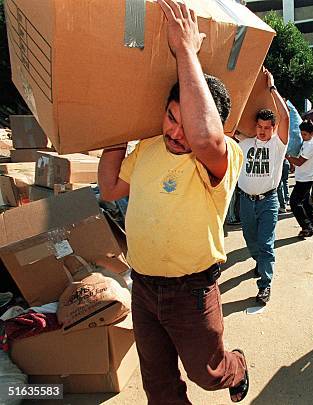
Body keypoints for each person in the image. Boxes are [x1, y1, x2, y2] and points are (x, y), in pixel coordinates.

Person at [97, 0, 249, 402]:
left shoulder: (223, 154)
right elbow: (111, 188)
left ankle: (237, 367)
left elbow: (205, 138)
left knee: (209, 374)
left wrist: (185, 51)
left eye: (187, 122)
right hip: (144, 286)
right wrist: (115, 128)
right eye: (169, 116)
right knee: (159, 386)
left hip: (191, 292)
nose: (176, 132)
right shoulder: (148, 148)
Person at [236, 69, 290, 305]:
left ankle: (264, 284)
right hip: (245, 201)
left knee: (266, 243)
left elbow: (286, 118)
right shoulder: (245, 141)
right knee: (251, 239)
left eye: (267, 127)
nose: (262, 130)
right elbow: (227, 125)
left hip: (268, 201)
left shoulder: (279, 145)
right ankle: (259, 263)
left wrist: (272, 88)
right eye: (259, 126)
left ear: (273, 128)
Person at [286, 120, 313, 238]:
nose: (302, 137)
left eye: (305, 134)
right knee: (306, 203)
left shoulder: (311, 145)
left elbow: (300, 162)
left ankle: (306, 227)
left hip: (305, 179)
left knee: (294, 203)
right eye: (301, 134)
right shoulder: (310, 140)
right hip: (305, 176)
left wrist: (288, 157)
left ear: (312, 133)